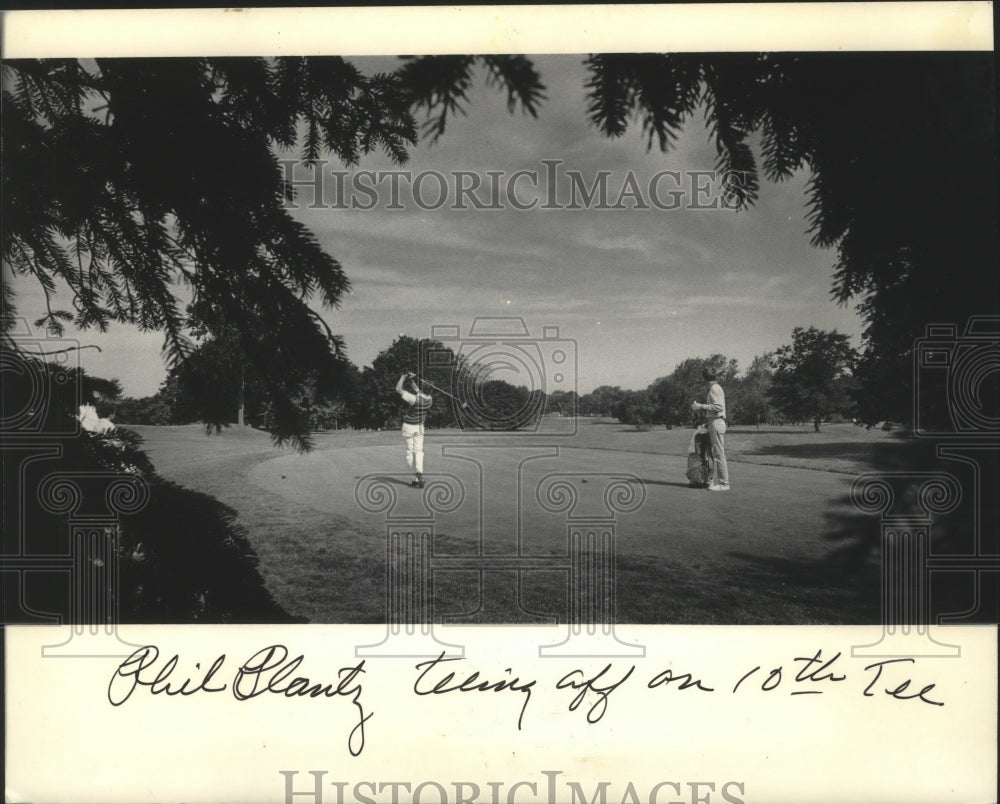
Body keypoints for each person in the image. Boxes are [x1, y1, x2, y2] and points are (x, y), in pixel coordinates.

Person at [691, 368, 729, 491]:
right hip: (714, 421)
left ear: (705, 378)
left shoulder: (714, 388)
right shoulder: (716, 387)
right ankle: (711, 480)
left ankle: (724, 484)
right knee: (714, 453)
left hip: (717, 421)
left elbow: (718, 407)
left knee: (718, 453)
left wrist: (700, 406)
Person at [396, 371, 433, 489]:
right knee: (419, 451)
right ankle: (418, 475)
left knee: (409, 451)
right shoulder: (430, 400)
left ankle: (416, 476)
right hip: (420, 427)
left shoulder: (414, 399)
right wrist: (411, 379)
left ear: (423, 388)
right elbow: (416, 389)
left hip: (409, 426)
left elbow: (398, 389)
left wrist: (403, 377)